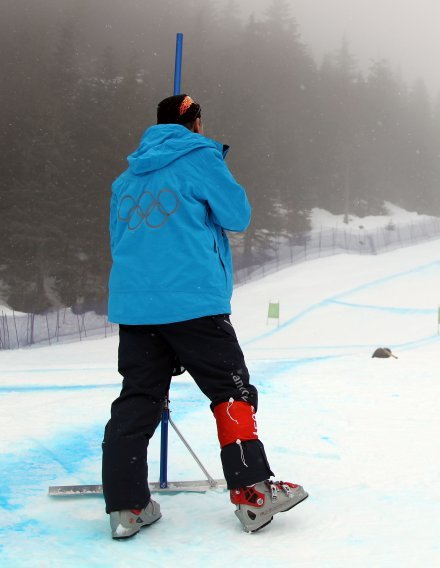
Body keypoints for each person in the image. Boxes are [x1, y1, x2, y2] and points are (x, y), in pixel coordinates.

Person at [103, 94, 306, 539]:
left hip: (137, 308)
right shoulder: (200, 159)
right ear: (194, 122)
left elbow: (120, 239)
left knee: (138, 399)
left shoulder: (126, 179)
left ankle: (127, 506)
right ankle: (253, 493)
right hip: (193, 301)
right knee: (229, 391)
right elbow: (238, 216)